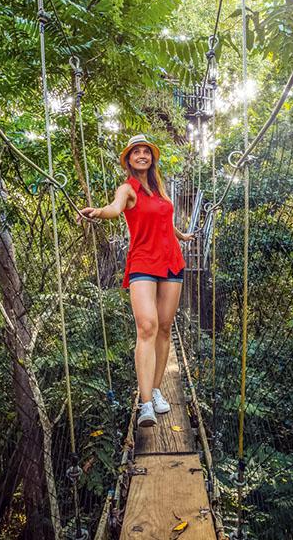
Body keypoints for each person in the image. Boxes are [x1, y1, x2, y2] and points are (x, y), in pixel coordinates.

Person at [79, 134, 195, 427]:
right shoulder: (127, 189)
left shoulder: (159, 189)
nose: (142, 155)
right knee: (147, 326)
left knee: (165, 328)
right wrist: (98, 212)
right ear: (129, 159)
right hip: (143, 261)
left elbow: (164, 220)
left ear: (151, 158)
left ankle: (156, 390)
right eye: (136, 152)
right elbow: (115, 209)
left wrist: (182, 236)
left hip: (171, 260)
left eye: (146, 151)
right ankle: (145, 404)